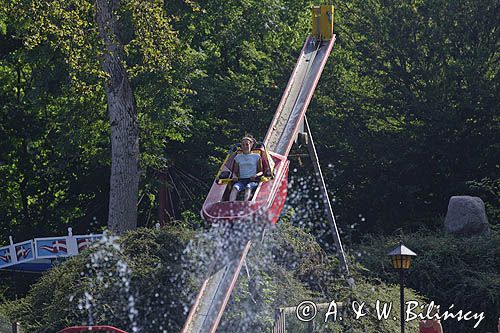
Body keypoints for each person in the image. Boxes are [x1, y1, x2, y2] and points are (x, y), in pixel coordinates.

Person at [229, 135, 263, 201]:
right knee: (235, 187)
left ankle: (246, 204)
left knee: (248, 187)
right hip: (241, 180)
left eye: (247, 144)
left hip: (252, 180)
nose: (245, 146)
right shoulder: (238, 157)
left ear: (251, 145)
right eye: (243, 144)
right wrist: (234, 176)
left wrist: (255, 175)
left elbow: (261, 171)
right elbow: (235, 172)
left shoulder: (256, 156)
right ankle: (231, 204)